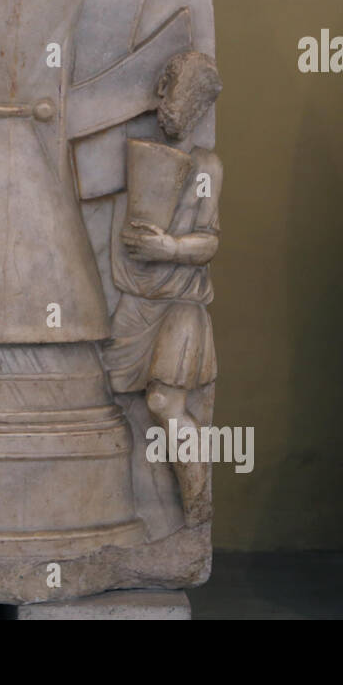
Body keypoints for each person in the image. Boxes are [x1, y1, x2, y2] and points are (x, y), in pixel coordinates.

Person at [102, 51, 222, 525]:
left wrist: (170, 247)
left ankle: (194, 512)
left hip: (178, 305)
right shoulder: (129, 157)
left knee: (163, 403)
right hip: (133, 304)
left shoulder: (206, 168)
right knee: (107, 397)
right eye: (173, 96)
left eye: (189, 102)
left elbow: (210, 240)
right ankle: (125, 513)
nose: (176, 110)